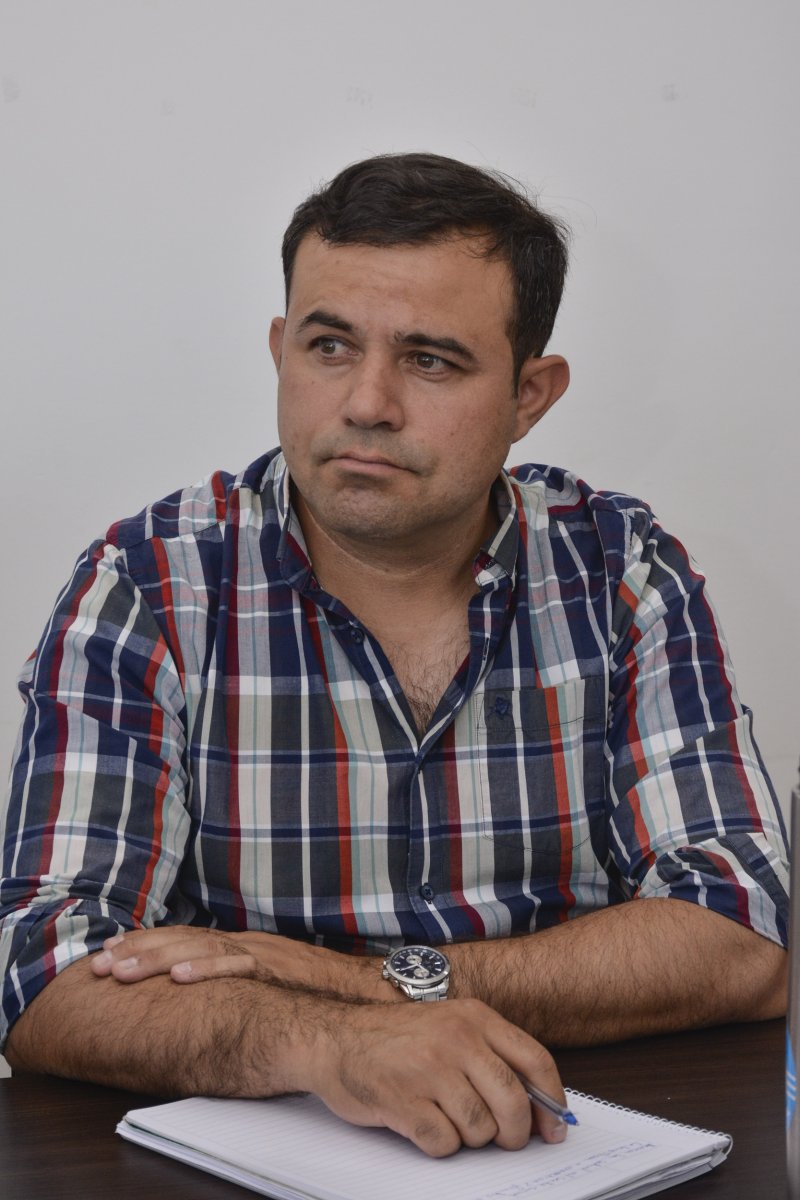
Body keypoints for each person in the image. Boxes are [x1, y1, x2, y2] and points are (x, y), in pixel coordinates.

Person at [0, 153, 789, 1158]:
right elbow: (42, 973)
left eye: (430, 361)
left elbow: (742, 934)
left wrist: (354, 984)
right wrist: (331, 1045)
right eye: (329, 346)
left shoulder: (619, 572)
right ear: (281, 350)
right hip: (263, 1156)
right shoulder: (151, 584)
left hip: (569, 1144)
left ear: (529, 395)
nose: (367, 402)